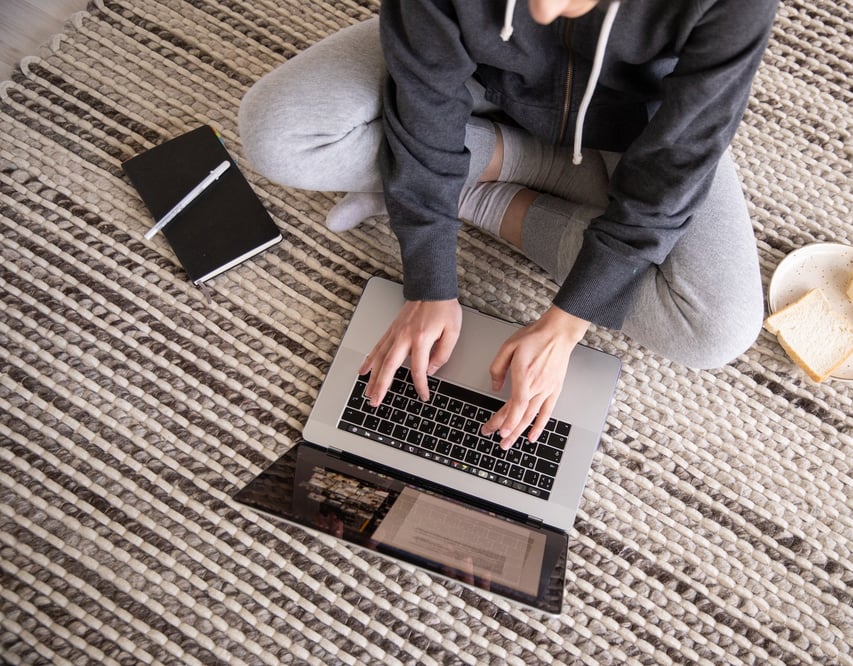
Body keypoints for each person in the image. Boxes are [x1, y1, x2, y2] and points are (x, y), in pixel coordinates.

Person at [239, 0, 779, 450]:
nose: (539, 11)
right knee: (276, 133)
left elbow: (672, 169)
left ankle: (477, 179)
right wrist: (428, 281)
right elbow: (423, 101)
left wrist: (568, 320)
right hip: (472, 77)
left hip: (636, 125)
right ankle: (489, 175)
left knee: (718, 328)